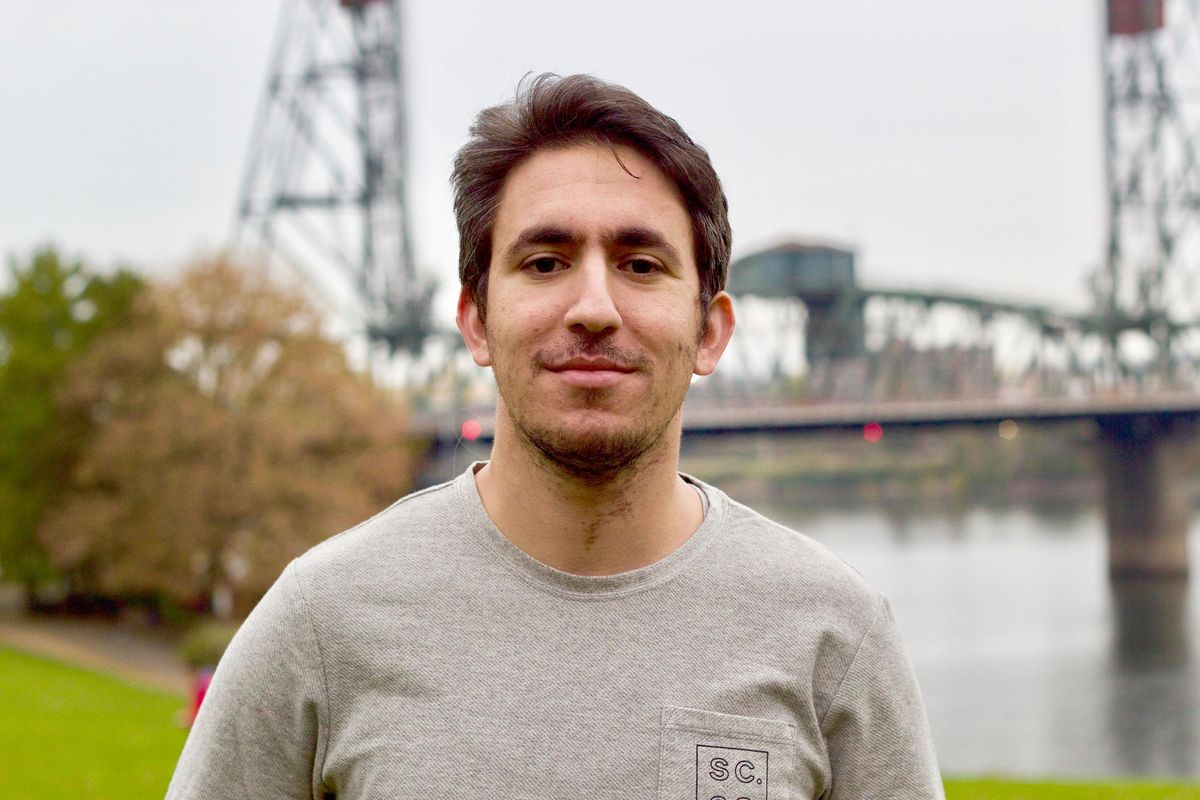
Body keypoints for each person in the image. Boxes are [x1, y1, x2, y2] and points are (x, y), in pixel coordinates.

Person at [167, 73, 943, 799]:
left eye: (641, 264)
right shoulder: (320, 622)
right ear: (475, 319)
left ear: (711, 331)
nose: (594, 307)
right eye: (545, 262)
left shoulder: (836, 634)